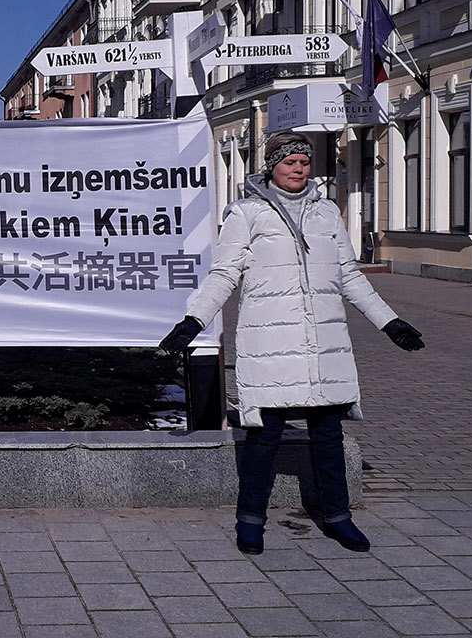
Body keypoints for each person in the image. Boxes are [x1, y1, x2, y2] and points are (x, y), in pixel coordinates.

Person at [160, 131, 424, 556]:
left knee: (328, 434)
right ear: (272, 166)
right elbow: (224, 273)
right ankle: (250, 520)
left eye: (304, 162)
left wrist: (389, 322)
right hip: (270, 344)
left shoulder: (326, 213)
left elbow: (349, 275)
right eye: (289, 162)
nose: (299, 168)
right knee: (264, 437)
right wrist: (195, 321)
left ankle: (338, 517)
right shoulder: (246, 214)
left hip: (323, 343)